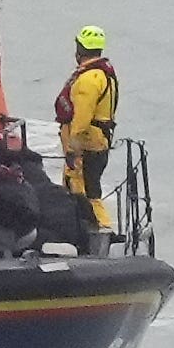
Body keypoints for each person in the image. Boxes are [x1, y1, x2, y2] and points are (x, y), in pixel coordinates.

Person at [55, 24, 119, 228]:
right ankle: (88, 227)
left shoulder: (89, 80)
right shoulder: (101, 74)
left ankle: (102, 228)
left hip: (87, 144)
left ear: (81, 49)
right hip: (98, 140)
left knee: (85, 190)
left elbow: (81, 118)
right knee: (84, 188)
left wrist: (73, 149)